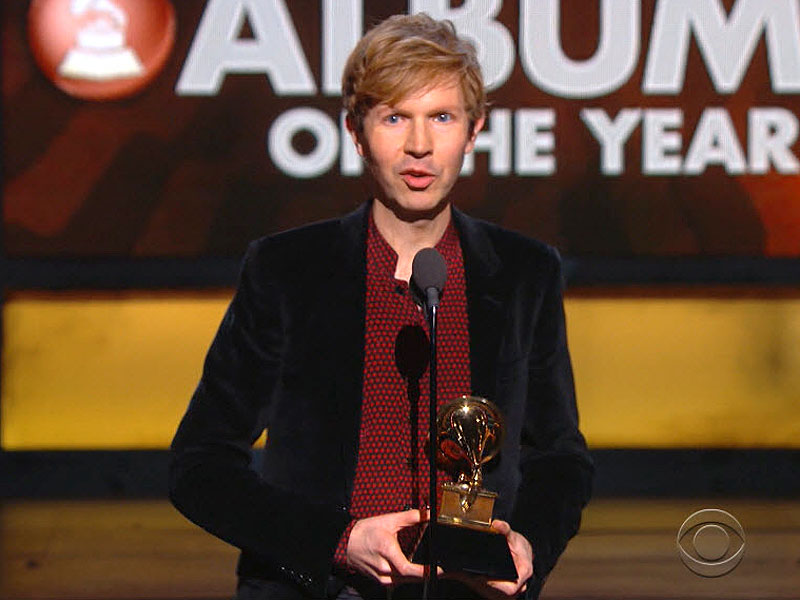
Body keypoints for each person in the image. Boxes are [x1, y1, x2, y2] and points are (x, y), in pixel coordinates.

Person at [170, 13, 592, 600]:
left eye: (441, 118)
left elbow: (559, 456)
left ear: (473, 132)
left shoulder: (525, 272)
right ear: (356, 131)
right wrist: (338, 542)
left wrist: (527, 548)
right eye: (395, 117)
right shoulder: (287, 270)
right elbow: (200, 465)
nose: (419, 145)